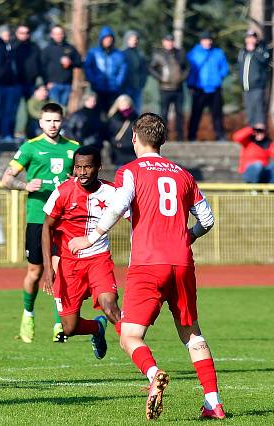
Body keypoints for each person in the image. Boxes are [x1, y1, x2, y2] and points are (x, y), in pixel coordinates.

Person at [68, 113, 224, 420]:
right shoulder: (183, 174)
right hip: (181, 263)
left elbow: (118, 205)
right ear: (163, 140)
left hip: (147, 265)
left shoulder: (131, 171)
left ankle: (153, 374)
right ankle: (213, 403)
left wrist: (91, 238)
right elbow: (207, 220)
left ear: (135, 138)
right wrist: (186, 237)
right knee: (193, 334)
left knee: (129, 336)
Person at [0, 102, 80, 343]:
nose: (52, 125)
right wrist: (25, 185)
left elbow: (84, 178)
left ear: (62, 121)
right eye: (48, 120)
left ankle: (59, 324)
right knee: (35, 271)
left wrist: (75, 180)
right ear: (40, 122)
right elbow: (6, 179)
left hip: (64, 219)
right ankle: (28, 314)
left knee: (60, 271)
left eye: (56, 120)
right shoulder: (30, 148)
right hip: (38, 218)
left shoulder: (74, 148)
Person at [40, 145, 122, 357]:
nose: (83, 172)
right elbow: (46, 227)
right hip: (69, 264)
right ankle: (97, 328)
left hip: (98, 259)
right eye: (78, 167)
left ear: (99, 167)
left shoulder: (112, 192)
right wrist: (48, 268)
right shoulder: (63, 192)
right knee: (69, 328)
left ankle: (145, 362)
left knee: (110, 307)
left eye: (88, 167)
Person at [186, 32, 229, 141]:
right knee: (196, 114)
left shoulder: (218, 53)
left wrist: (219, 77)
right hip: (199, 88)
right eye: (205, 40)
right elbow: (189, 70)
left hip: (215, 88)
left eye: (209, 39)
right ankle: (192, 136)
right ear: (201, 41)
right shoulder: (193, 54)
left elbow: (225, 67)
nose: (208, 42)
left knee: (217, 114)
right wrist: (190, 85)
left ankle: (220, 136)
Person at [148, 34, 189, 141]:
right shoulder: (158, 54)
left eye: (171, 41)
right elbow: (151, 69)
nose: (169, 43)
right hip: (164, 89)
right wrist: (161, 78)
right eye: (167, 41)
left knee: (180, 113)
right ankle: (164, 137)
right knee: (164, 113)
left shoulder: (180, 53)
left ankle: (180, 137)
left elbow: (187, 67)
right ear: (163, 42)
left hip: (178, 88)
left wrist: (182, 78)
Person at [84, 26, 127, 114]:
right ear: (101, 39)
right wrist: (93, 80)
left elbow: (123, 69)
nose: (108, 40)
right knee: (97, 112)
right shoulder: (93, 53)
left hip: (113, 89)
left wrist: (118, 82)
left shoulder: (119, 54)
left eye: (110, 38)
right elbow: (88, 67)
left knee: (112, 112)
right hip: (97, 88)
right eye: (106, 38)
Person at [41, 25, 82, 107]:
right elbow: (42, 67)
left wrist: (71, 62)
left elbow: (79, 63)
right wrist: (46, 82)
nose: (58, 35)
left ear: (63, 34)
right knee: (54, 109)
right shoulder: (47, 49)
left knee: (63, 110)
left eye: (60, 33)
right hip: (53, 85)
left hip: (67, 85)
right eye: (56, 33)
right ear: (51, 35)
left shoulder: (70, 48)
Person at [237, 30, 271, 127]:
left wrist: (253, 51)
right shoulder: (242, 51)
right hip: (246, 87)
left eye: (252, 38)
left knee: (259, 111)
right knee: (249, 112)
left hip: (258, 87)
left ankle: (260, 136)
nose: (250, 40)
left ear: (256, 39)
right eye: (248, 38)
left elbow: (264, 61)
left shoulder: (261, 50)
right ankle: (251, 136)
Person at [0, 25, 22, 141]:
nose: (7, 37)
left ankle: (9, 134)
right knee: (1, 111)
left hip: (14, 84)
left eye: (8, 34)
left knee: (11, 111)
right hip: (1, 84)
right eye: (4, 34)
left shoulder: (14, 47)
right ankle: (0, 134)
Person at [106, 95, 139, 167]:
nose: (125, 106)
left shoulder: (135, 117)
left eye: (126, 104)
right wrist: (114, 142)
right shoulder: (113, 118)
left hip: (131, 150)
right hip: (118, 150)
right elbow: (108, 133)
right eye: (122, 104)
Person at [13, 25, 42, 100]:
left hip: (32, 84)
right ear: (16, 33)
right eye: (22, 33)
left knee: (31, 108)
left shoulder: (35, 47)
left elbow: (41, 64)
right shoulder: (12, 47)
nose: (25, 35)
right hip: (16, 84)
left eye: (27, 32)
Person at [122, 31, 147, 111]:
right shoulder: (122, 53)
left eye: (136, 39)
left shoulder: (140, 54)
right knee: (125, 108)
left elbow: (144, 70)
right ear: (127, 40)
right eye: (132, 39)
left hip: (137, 86)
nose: (134, 41)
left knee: (137, 108)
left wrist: (142, 82)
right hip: (125, 87)